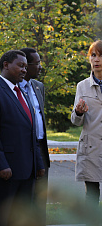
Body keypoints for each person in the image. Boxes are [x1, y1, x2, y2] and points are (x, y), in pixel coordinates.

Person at [0, 50, 45, 226]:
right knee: (0, 218)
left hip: (27, 171)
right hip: (5, 172)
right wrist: (2, 165)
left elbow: (32, 132)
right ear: (6, 65)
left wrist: (38, 164)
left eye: (25, 66)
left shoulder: (21, 92)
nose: (24, 70)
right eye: (20, 66)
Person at [19, 48, 50, 225]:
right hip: (23, 149)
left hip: (40, 149)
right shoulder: (13, 88)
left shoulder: (39, 87)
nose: (40, 66)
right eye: (36, 63)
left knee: (40, 197)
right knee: (24, 198)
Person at [71, 40, 102, 210]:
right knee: (91, 194)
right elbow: (75, 122)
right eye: (93, 55)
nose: (96, 60)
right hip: (91, 148)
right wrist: (79, 112)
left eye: (100, 55)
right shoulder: (82, 86)